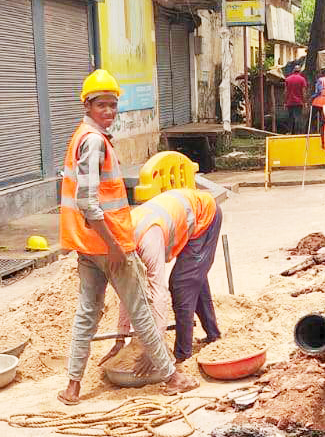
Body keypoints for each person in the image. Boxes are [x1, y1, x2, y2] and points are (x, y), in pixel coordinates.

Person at [58, 70, 196, 405]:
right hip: (108, 245)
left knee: (86, 313)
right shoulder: (93, 141)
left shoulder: (82, 136)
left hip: (87, 246)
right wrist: (115, 246)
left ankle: (73, 388)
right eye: (102, 104)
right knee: (141, 312)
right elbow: (88, 202)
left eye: (112, 104)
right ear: (88, 105)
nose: (109, 110)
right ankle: (172, 376)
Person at [103, 187, 222, 368]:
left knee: (181, 284)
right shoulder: (122, 243)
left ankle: (182, 355)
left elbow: (159, 293)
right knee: (192, 278)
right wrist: (121, 337)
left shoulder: (148, 241)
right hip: (184, 213)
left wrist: (155, 348)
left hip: (204, 216)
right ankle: (213, 336)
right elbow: (129, 291)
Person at [283, 65, 308, 133]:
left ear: (293, 70)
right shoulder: (302, 79)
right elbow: (304, 92)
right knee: (298, 118)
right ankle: (298, 132)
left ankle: (290, 132)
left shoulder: (287, 79)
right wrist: (305, 102)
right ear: (299, 71)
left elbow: (285, 92)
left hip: (289, 102)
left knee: (290, 118)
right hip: (298, 102)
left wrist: (285, 102)